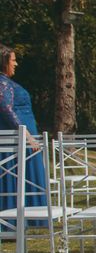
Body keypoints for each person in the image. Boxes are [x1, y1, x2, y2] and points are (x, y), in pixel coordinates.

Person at [0, 44, 46, 215]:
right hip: (18, 141)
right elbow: (6, 109)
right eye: (13, 60)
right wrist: (27, 136)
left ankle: (25, 219)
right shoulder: (2, 84)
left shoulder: (6, 82)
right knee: (16, 179)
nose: (16, 64)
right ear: (3, 62)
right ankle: (13, 220)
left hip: (23, 138)